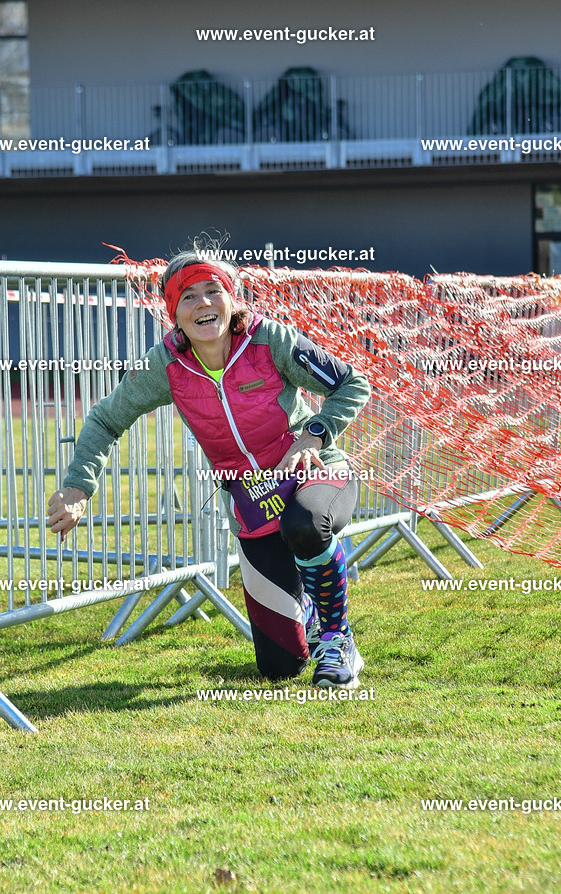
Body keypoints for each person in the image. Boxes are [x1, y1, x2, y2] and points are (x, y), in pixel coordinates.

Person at [47, 250, 371, 689]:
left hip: (315, 472)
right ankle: (308, 613)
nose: (203, 304)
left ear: (231, 299)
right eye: (189, 297)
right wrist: (78, 489)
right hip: (253, 505)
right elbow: (105, 419)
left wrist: (315, 433)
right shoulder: (164, 365)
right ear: (174, 314)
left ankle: (337, 640)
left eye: (213, 290)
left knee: (306, 524)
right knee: (279, 667)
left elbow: (352, 383)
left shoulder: (268, 339)